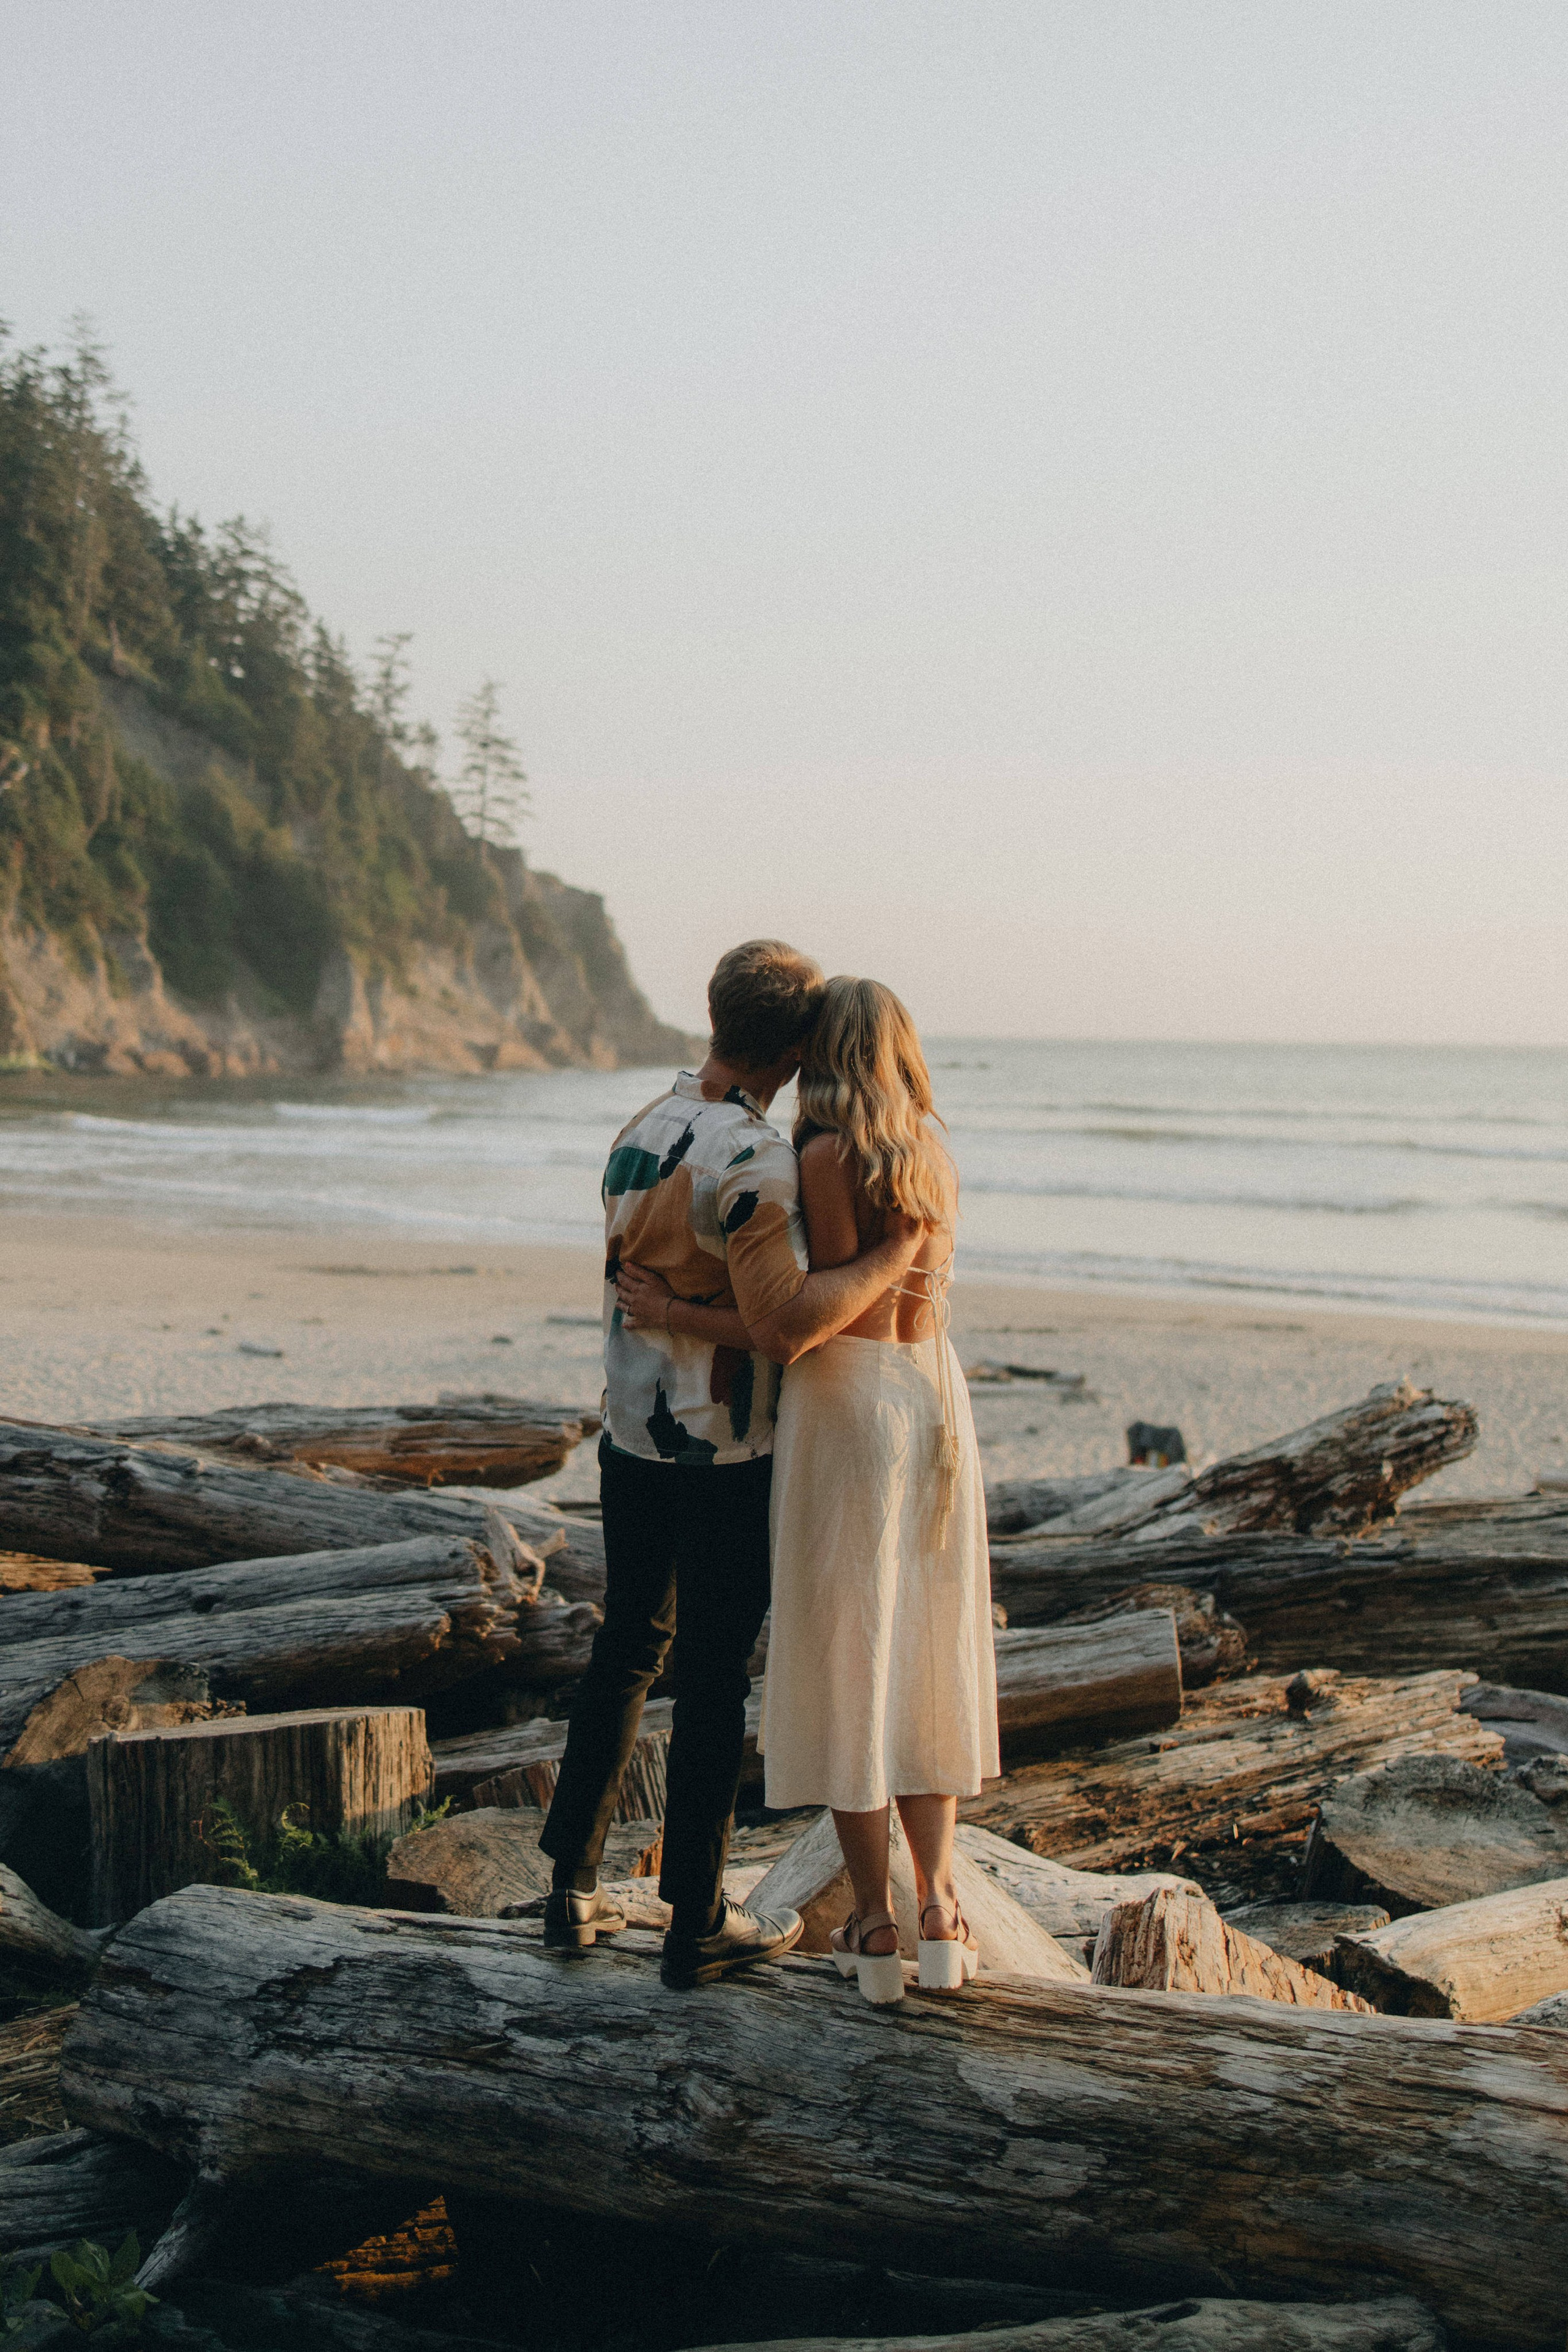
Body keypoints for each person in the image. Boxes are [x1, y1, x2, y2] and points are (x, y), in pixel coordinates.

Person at [541, 940, 922, 1990]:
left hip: (630, 1430)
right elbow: (787, 1325)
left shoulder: (641, 1128)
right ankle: (697, 1917)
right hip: (723, 1448)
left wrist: (668, 1314)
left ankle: (570, 1891)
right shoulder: (752, 1160)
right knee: (709, 1677)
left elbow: (634, 1276)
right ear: (797, 1048)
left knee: (625, 1650)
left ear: (714, 1017)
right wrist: (893, 1256)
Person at [618, 975, 999, 2007]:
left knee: (851, 1660)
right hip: (936, 1397)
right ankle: (942, 1910)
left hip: (852, 1411)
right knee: (923, 1654)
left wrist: (675, 1312)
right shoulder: (935, 1156)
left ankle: (875, 1925)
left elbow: (805, 1325)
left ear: (823, 1054)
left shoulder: (823, 1159)